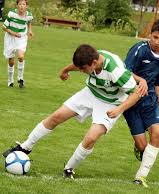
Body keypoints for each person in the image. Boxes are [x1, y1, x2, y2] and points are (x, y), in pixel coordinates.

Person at [3, 44, 142, 179]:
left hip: (111, 103)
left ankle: (69, 169)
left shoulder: (116, 71)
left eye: (83, 69)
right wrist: (65, 70)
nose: (81, 71)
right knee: (56, 116)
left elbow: (136, 93)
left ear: (94, 63)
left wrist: (119, 109)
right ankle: (25, 147)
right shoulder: (90, 56)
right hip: (91, 93)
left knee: (91, 138)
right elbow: (77, 65)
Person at [123, 19, 159, 187]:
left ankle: (140, 177)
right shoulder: (139, 49)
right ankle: (140, 149)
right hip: (131, 102)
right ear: (150, 34)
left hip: (150, 101)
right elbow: (123, 72)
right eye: (155, 37)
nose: (156, 42)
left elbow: (157, 85)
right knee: (143, 147)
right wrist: (140, 79)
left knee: (157, 134)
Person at [2, 0, 33, 88]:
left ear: (26, 6)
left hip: (21, 37)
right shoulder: (11, 14)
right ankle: (10, 81)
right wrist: (13, 33)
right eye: (20, 4)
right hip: (10, 38)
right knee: (11, 62)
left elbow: (29, 22)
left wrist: (30, 30)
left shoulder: (29, 15)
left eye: (24, 4)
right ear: (17, 5)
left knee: (21, 56)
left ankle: (20, 79)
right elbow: (4, 27)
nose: (22, 6)